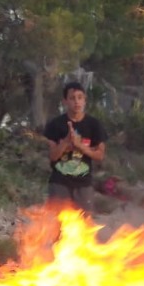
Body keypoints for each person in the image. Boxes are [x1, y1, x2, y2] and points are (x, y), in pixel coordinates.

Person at [44, 81, 107, 211]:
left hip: (84, 185)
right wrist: (66, 142)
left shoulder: (94, 125)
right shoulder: (55, 125)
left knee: (84, 227)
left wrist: (80, 146)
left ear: (85, 100)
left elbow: (100, 156)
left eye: (80, 97)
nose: (76, 102)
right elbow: (53, 156)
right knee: (57, 226)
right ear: (65, 101)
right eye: (72, 98)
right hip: (59, 183)